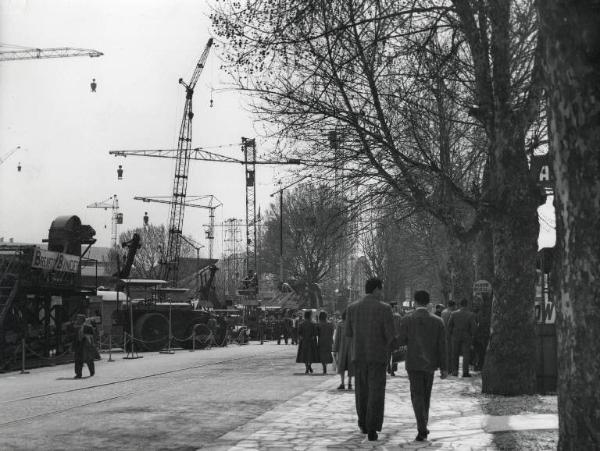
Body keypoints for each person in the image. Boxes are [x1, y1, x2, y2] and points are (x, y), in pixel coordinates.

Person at [345, 277, 396, 442]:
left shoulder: (352, 308)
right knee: (376, 391)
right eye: (380, 289)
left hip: (359, 356)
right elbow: (390, 336)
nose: (381, 293)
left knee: (361, 390)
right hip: (378, 356)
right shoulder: (385, 308)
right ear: (376, 289)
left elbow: (348, 334)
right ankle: (372, 427)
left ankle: (363, 423)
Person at [397, 290, 448, 442]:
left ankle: (422, 427)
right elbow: (442, 347)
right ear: (428, 301)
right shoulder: (438, 321)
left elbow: (401, 341)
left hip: (413, 363)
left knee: (416, 396)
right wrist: (444, 368)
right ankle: (423, 424)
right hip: (430, 364)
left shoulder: (407, 319)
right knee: (426, 395)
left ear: (415, 301)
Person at [448, 298, 477, 377]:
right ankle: (465, 372)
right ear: (467, 305)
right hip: (466, 335)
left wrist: (451, 334)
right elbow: (474, 327)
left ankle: (455, 371)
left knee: (455, 353)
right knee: (466, 354)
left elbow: (449, 325)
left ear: (459, 305)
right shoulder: (471, 314)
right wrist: (472, 335)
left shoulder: (454, 313)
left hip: (455, 335)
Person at [333, 309, 353, 390]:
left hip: (342, 348)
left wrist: (335, 349)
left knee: (342, 365)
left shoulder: (340, 324)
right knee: (350, 365)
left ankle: (342, 383)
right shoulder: (353, 324)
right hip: (351, 348)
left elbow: (337, 338)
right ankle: (349, 383)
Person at [73, 314, 97, 379]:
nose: (77, 320)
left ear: (82, 320)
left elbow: (93, 336)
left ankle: (92, 372)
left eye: (78, 319)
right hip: (78, 345)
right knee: (78, 359)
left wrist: (86, 337)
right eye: (77, 319)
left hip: (86, 345)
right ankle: (78, 374)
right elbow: (74, 337)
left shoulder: (88, 326)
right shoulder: (76, 327)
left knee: (89, 359)